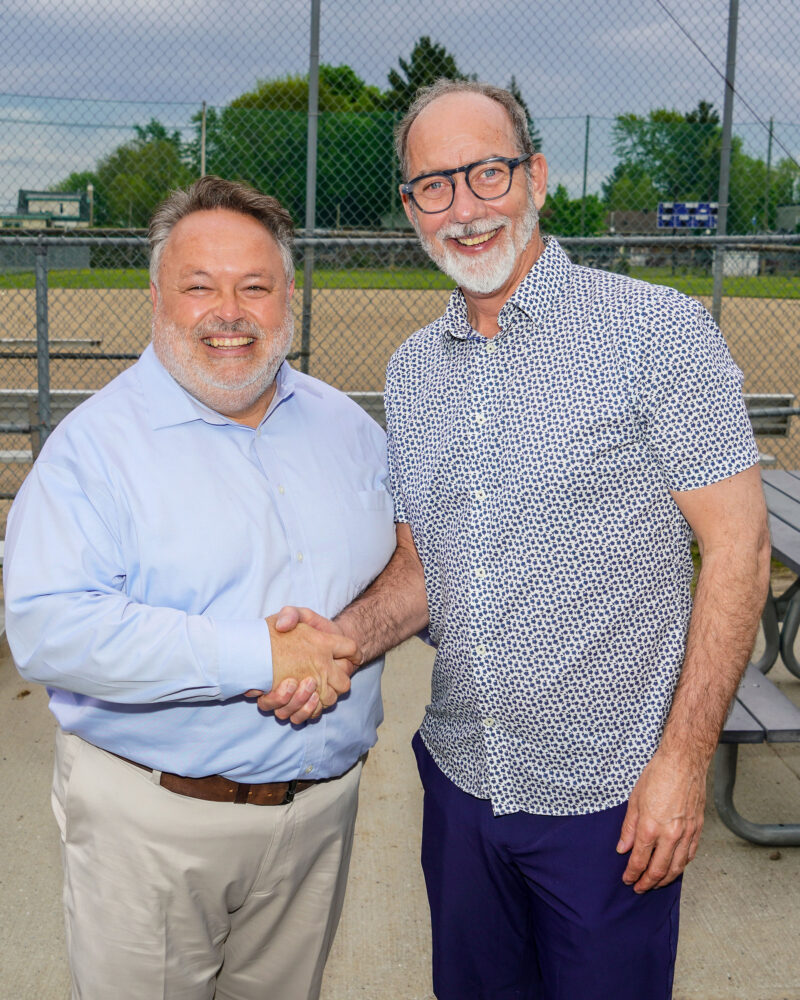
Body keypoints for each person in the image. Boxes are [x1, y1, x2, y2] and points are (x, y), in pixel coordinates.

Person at [264, 80, 772, 999]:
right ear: (411, 207)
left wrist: (685, 763)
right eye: (433, 186)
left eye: (486, 173)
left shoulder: (657, 333)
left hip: (612, 800)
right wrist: (337, 641)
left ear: (534, 176)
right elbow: (426, 571)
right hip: (462, 783)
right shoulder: (413, 369)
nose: (463, 209)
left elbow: (739, 550)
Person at [3, 175, 396, 1000]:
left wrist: (346, 640)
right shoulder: (94, 450)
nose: (230, 311)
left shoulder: (349, 430)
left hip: (320, 816)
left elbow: (408, 557)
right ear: (156, 298)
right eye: (199, 286)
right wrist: (264, 654)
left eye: (255, 286)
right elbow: (48, 629)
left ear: (290, 295)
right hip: (154, 827)